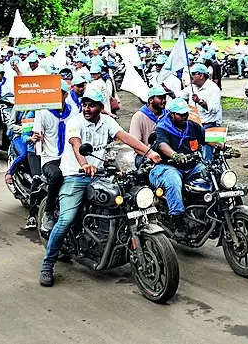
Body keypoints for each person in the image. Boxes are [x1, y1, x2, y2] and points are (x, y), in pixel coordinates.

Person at [38, 89, 159, 287]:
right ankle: (47, 264)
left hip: (100, 175)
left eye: (92, 105)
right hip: (75, 175)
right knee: (66, 219)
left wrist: (148, 152)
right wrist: (84, 163)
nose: (87, 108)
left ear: (101, 108)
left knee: (126, 200)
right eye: (84, 104)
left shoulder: (107, 122)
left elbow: (125, 138)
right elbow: (76, 144)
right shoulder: (75, 122)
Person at [148, 97, 207, 228]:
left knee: (209, 172)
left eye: (186, 113)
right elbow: (162, 145)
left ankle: (207, 208)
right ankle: (177, 218)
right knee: (173, 180)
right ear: (172, 114)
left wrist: (223, 146)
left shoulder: (191, 126)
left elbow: (207, 137)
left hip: (191, 166)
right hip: (167, 166)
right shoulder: (162, 128)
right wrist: (174, 155)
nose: (185, 116)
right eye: (181, 114)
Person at [27, 84, 73, 231]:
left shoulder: (74, 111)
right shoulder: (43, 112)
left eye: (60, 93)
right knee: (56, 175)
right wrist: (35, 138)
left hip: (69, 157)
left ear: (66, 95)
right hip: (49, 158)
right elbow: (36, 133)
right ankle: (48, 212)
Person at [188, 63, 222, 128]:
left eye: (193, 74)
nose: (190, 76)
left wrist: (200, 102)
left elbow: (215, 109)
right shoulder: (192, 86)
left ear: (201, 76)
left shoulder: (213, 89)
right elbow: (180, 96)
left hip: (207, 125)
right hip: (193, 124)